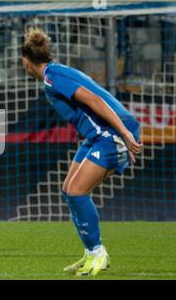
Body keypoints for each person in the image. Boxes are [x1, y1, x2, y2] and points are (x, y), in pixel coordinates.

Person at [21, 28, 143, 276]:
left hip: (109, 135)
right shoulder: (55, 72)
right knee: (68, 189)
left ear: (25, 60)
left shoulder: (53, 77)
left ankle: (98, 252)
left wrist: (125, 133)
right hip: (98, 136)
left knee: (77, 192)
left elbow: (96, 101)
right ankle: (90, 253)